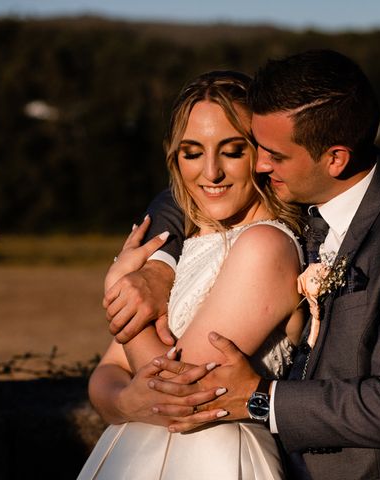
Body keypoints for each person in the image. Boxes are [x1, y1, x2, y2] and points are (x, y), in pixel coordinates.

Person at [103, 50, 380, 480]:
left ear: (335, 158)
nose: (260, 166)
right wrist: (156, 265)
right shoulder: (307, 193)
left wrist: (261, 397)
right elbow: (185, 190)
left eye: (272, 155)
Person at [78, 71, 306, 479]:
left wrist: (117, 287)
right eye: (192, 152)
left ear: (262, 153)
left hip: (217, 458)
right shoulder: (181, 242)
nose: (211, 172)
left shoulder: (266, 246)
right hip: (131, 456)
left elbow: (185, 392)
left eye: (233, 151)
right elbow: (106, 373)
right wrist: (125, 402)